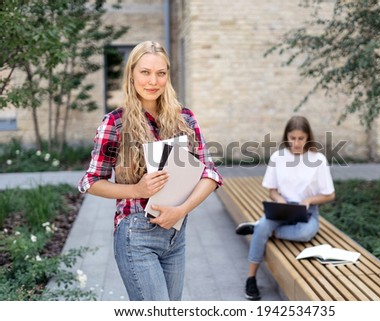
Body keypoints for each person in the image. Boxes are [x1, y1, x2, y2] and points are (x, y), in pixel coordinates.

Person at [78, 41, 223, 301]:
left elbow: (210, 174)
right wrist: (137, 189)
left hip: (176, 233)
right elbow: (91, 181)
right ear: (132, 74)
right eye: (145, 72)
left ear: (168, 75)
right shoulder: (115, 122)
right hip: (136, 235)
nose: (153, 81)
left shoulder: (185, 118)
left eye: (161, 73)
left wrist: (181, 210)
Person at [235, 115, 335, 300]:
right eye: (292, 138)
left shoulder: (318, 159)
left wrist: (309, 200)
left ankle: (259, 229)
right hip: (281, 209)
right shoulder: (278, 157)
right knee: (264, 227)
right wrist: (279, 199)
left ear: (308, 138)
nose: (296, 143)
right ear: (286, 136)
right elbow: (271, 191)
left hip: (306, 211)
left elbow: (330, 194)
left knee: (305, 233)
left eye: (301, 138)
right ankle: (251, 278)